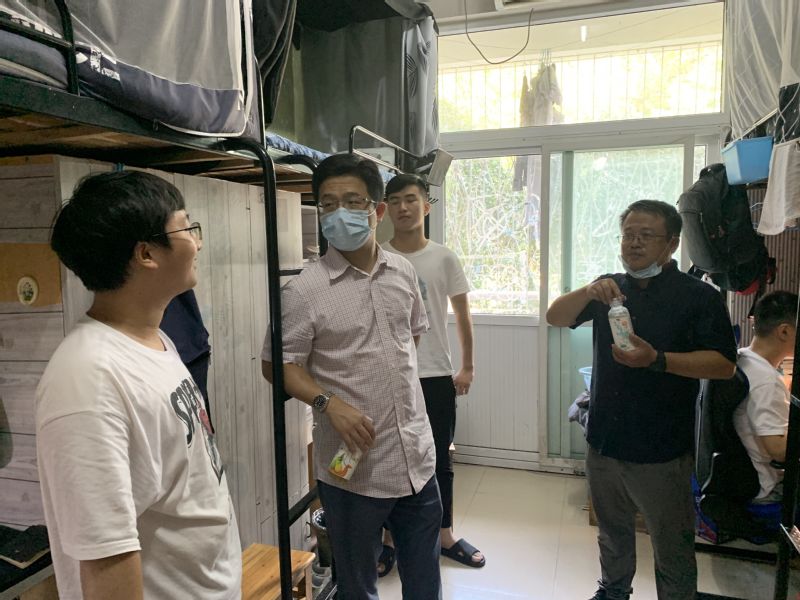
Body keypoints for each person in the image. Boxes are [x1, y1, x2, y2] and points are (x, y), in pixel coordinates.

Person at [36, 171, 241, 599]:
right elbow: (106, 557)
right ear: (146, 253)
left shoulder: (155, 339)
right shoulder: (88, 380)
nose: (198, 243)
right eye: (187, 228)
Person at [261, 154, 442, 600]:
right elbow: (276, 364)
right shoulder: (304, 291)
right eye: (328, 203)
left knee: (424, 580)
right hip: (354, 472)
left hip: (416, 457)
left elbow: (411, 338)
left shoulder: (403, 271)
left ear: (377, 211)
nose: (339, 212)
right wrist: (329, 403)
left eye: (352, 201)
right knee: (357, 587)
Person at [546, 199, 737, 600]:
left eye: (646, 235)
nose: (634, 243)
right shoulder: (609, 289)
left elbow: (723, 365)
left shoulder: (698, 296)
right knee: (612, 532)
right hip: (604, 441)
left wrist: (658, 360)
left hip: (661, 449)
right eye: (628, 235)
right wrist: (588, 289)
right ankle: (613, 590)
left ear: (672, 243)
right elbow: (555, 317)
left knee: (671, 542)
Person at [382, 173, 484, 571]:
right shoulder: (378, 256)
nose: (403, 207)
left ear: (426, 206)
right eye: (394, 200)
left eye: (410, 199)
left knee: (440, 456)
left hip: (435, 373)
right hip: (389, 374)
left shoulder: (443, 257)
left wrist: (467, 366)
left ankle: (444, 534)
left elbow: (463, 316)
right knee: (389, 457)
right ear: (385, 209)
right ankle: (388, 538)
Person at [734, 290, 798, 502]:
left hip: (741, 471)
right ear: (784, 331)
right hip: (766, 487)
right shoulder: (766, 381)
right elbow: (778, 450)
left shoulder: (744, 357)